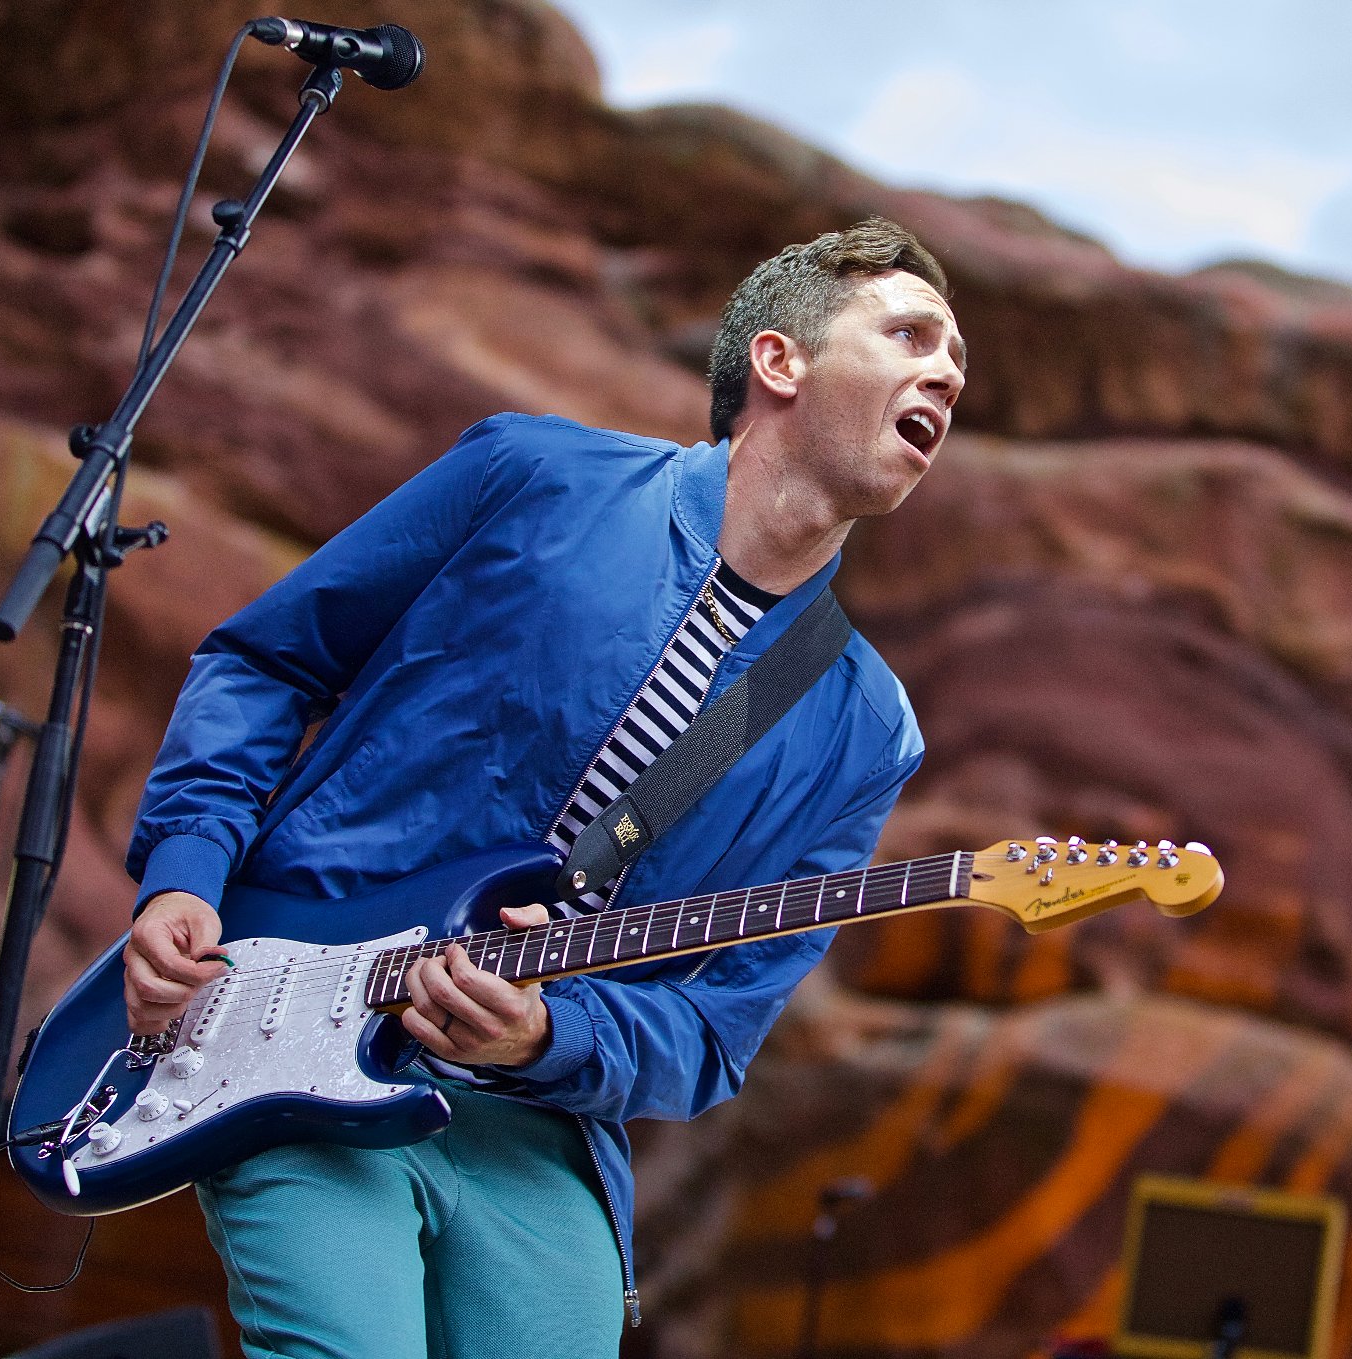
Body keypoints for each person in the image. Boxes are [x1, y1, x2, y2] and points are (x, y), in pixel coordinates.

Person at [117, 217, 966, 1359]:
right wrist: (185, 872)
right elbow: (268, 661)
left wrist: (544, 1035)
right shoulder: (531, 474)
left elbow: (714, 1032)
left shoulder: (864, 729)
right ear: (779, 362)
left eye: (956, 360)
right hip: (291, 1026)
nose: (946, 371)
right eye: (910, 333)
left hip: (537, 1134)